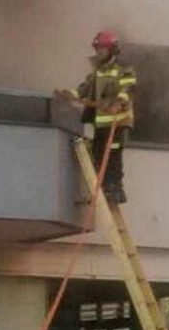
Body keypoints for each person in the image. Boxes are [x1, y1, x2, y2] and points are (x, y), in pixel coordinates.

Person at [56, 30, 137, 204]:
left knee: (113, 154)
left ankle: (115, 190)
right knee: (98, 153)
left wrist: (119, 102)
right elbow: (84, 88)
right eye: (97, 48)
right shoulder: (98, 70)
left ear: (111, 49)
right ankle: (103, 188)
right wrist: (69, 94)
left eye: (102, 48)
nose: (98, 51)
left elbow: (129, 89)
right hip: (101, 123)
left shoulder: (123, 68)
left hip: (118, 122)